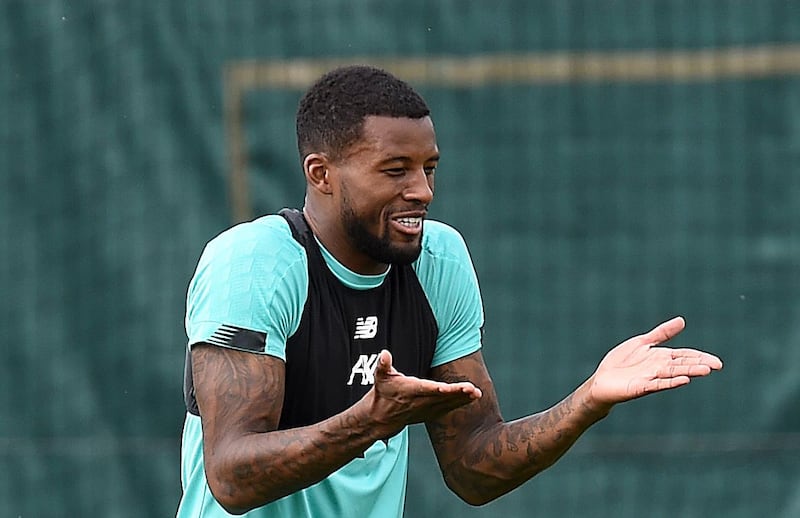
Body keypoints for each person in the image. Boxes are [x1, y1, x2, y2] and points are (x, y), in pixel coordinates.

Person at [177, 65, 723, 517]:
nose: (422, 190)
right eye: (395, 170)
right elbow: (232, 477)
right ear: (322, 174)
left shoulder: (437, 259)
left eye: (429, 168)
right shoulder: (252, 263)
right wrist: (369, 420)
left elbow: (473, 467)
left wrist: (587, 401)